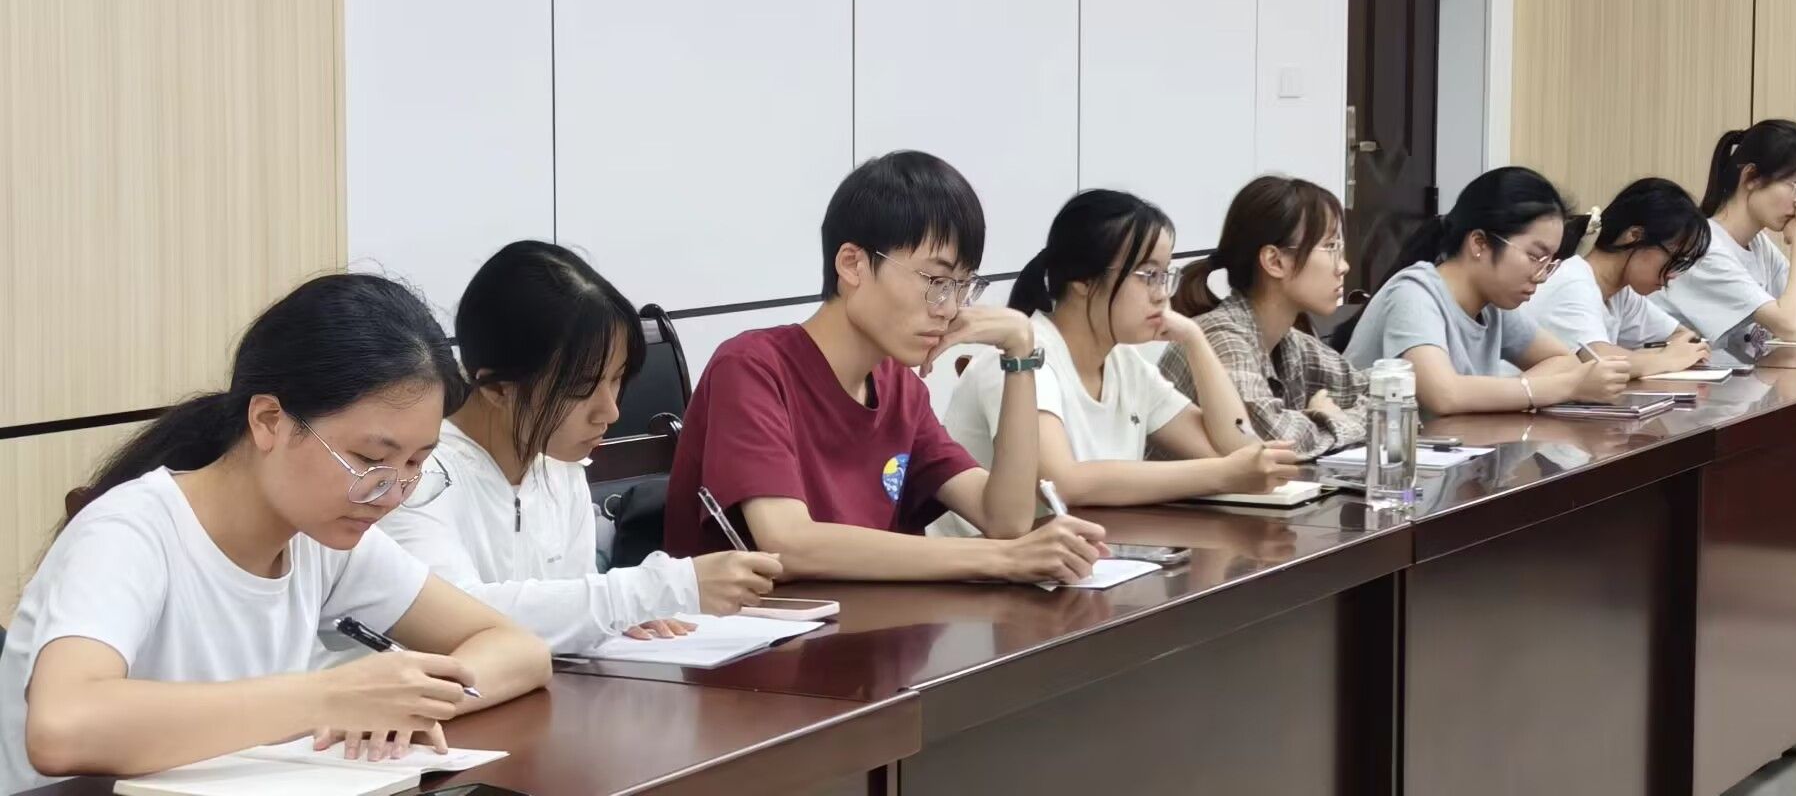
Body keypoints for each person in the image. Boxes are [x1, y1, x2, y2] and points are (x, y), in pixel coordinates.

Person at [0, 274, 552, 794]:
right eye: (369, 459)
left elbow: (519, 650)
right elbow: (62, 728)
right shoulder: (131, 532)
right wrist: (331, 698)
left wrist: (404, 702)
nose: (389, 494)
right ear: (268, 421)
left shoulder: (321, 536)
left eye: (415, 464)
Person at [663, 151, 1108, 583]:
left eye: (962, 286)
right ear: (852, 264)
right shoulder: (751, 368)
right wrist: (1002, 559)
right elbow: (789, 543)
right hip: (758, 630)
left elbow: (1005, 519)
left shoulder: (900, 387)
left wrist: (1019, 354)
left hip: (873, 626)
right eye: (936, 281)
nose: (950, 308)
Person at [382, 242, 782, 656]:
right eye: (581, 388)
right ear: (498, 388)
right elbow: (453, 619)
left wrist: (606, 615)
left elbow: (567, 603)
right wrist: (652, 591)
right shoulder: (416, 475)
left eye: (617, 379)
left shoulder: (559, 464)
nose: (610, 411)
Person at [938, 190, 1300, 513]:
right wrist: (1222, 474)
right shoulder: (1020, 357)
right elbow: (1061, 482)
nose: (1162, 294)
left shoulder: (1126, 364)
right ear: (1083, 279)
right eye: (1148, 275)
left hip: (1088, 554)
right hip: (981, 561)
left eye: (1165, 276)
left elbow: (1234, 449)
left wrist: (1195, 338)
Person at [1341, 167, 1629, 417]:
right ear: (1479, 243)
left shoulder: (1492, 306)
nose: (1541, 276)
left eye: (1549, 263)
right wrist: (1566, 387)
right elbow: (1444, 395)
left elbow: (1564, 361)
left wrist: (1512, 393)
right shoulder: (1414, 293)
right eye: (1534, 257)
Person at [1164, 175, 1368, 459]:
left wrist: (1336, 419)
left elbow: (1389, 399)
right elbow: (1266, 442)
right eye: (1331, 247)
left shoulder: (1289, 341)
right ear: (1275, 261)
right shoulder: (1221, 337)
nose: (1343, 266)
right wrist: (1327, 417)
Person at [1657, 120, 1796, 357]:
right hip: (1679, 379)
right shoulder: (1703, 248)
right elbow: (1791, 327)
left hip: (1739, 379)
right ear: (1751, 177)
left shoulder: (1758, 245)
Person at [1526, 178, 1713, 375]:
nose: (1673, 275)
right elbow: (1600, 360)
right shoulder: (1573, 281)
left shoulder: (1621, 294)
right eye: (1674, 259)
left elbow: (1685, 338)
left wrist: (1653, 358)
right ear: (1634, 236)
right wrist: (1665, 359)